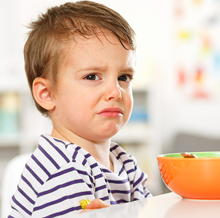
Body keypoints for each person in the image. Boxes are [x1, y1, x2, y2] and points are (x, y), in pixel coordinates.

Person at [8, 1, 152, 217]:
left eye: (124, 77)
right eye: (92, 76)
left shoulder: (124, 163)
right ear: (46, 94)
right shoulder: (63, 172)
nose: (116, 92)